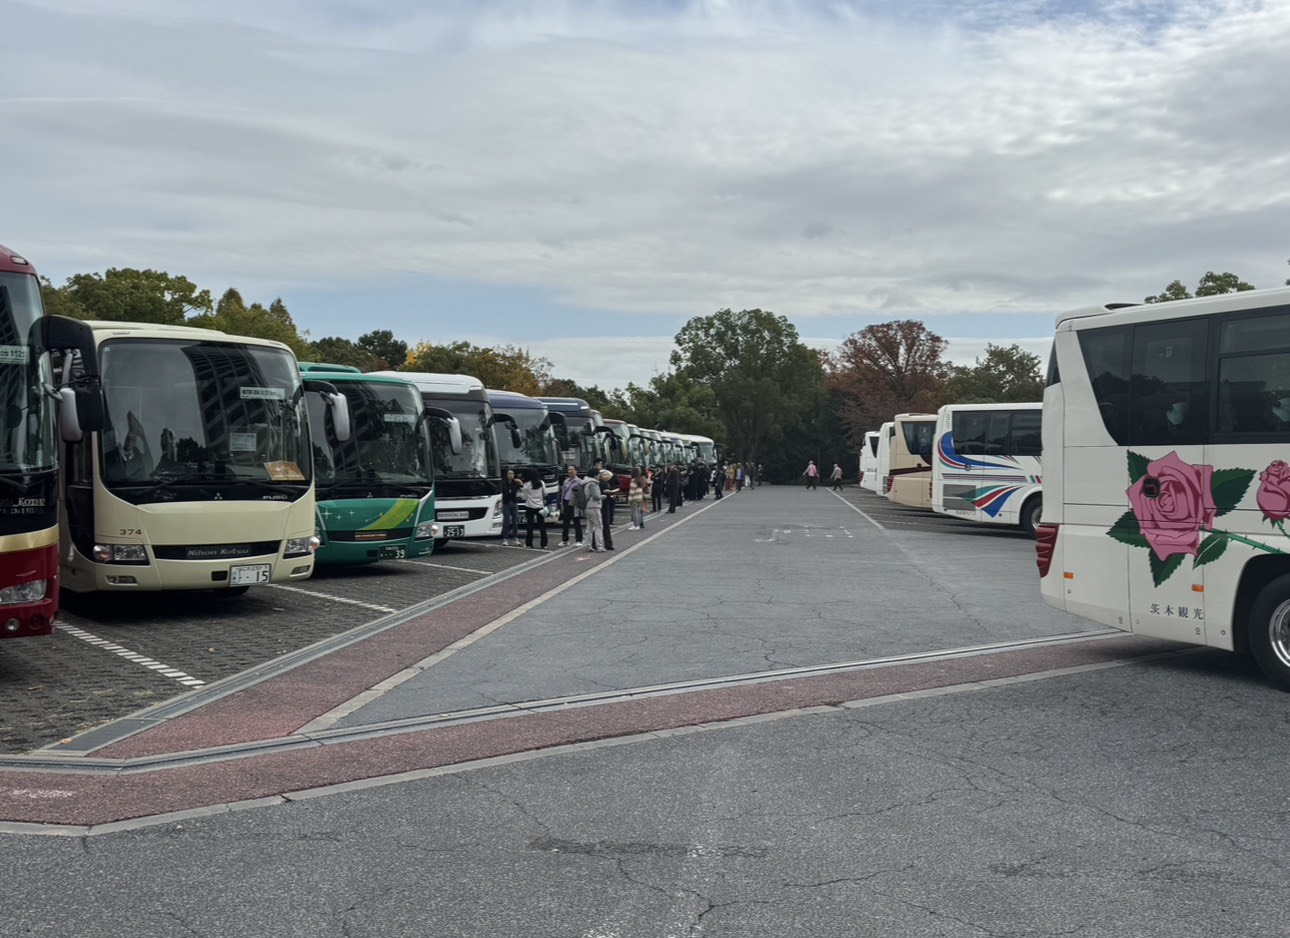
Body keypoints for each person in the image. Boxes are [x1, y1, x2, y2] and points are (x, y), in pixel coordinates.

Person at [521, 468, 548, 549]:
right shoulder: (541, 483)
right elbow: (545, 493)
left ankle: (529, 543)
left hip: (530, 507)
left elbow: (523, 497)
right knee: (542, 526)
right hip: (540, 506)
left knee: (530, 526)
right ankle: (544, 544)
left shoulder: (527, 485)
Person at [558, 464, 584, 547]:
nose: (569, 471)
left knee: (576, 521)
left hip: (575, 502)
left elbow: (581, 494)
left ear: (576, 471)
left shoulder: (579, 481)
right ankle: (565, 540)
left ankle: (579, 539)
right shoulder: (566, 481)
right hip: (566, 501)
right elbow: (563, 493)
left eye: (571, 469)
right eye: (569, 470)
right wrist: (562, 503)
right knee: (566, 521)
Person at [582, 471, 605, 551]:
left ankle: (588, 545)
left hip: (587, 506)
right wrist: (602, 496)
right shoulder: (593, 484)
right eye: (598, 474)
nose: (599, 476)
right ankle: (599, 546)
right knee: (598, 526)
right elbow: (595, 496)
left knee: (589, 527)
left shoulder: (585, 483)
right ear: (594, 475)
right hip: (594, 506)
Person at [500, 467, 521, 546]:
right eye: (509, 473)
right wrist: (501, 503)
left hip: (514, 503)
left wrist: (519, 481)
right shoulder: (503, 483)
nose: (511, 475)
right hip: (506, 503)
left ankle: (515, 538)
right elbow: (501, 493)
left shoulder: (515, 483)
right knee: (506, 522)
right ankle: (505, 539)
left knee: (515, 522)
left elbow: (522, 486)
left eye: (512, 474)